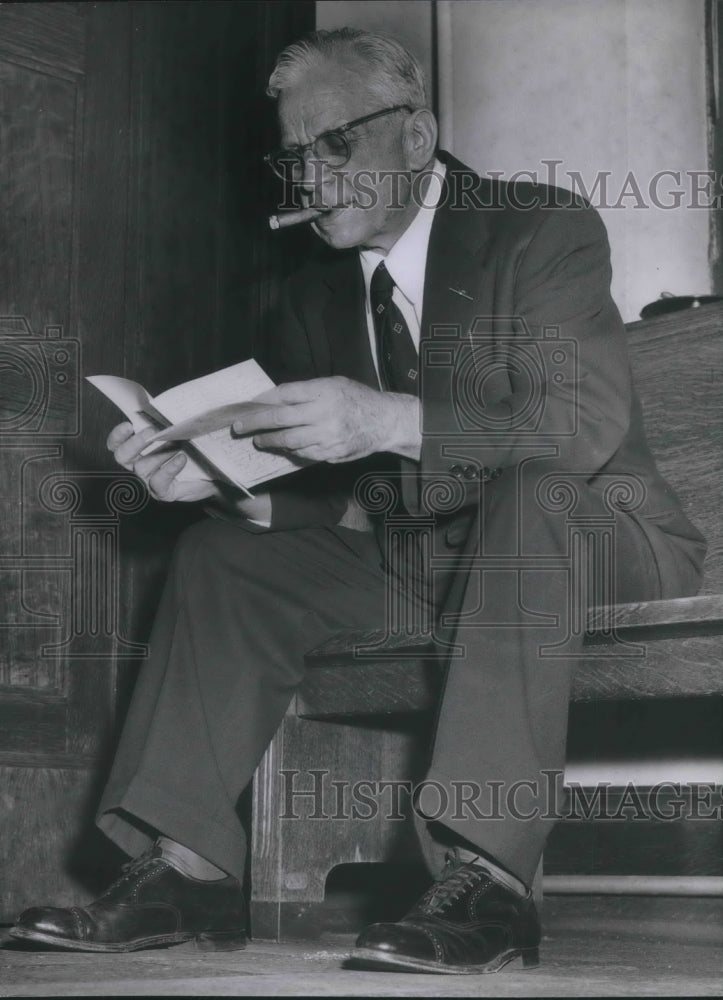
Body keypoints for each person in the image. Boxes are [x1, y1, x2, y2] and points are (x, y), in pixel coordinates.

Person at [11, 28, 706, 973]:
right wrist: (217, 489)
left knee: (528, 498)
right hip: (438, 566)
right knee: (224, 559)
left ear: (416, 138)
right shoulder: (314, 299)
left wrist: (383, 418)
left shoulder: (537, 228)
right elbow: (349, 503)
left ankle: (487, 876)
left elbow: (574, 424)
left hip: (594, 543)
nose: (308, 176)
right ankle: (179, 868)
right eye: (292, 158)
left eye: (332, 145)